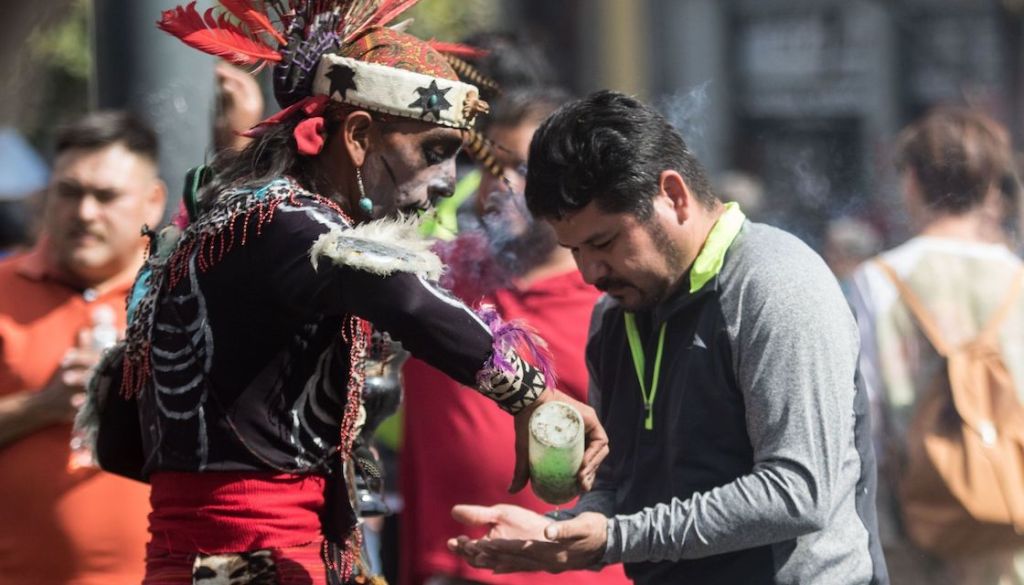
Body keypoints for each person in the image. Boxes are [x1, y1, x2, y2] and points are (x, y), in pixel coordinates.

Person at [84, 2, 608, 584]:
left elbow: (123, 444)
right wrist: (532, 395)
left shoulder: (250, 222)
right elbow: (402, 294)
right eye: (433, 153)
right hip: (245, 564)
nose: (442, 186)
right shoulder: (283, 223)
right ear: (357, 136)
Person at [448, 90, 889, 585]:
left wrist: (615, 538)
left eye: (604, 241)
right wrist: (559, 535)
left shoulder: (775, 285)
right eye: (573, 249)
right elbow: (619, 482)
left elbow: (797, 493)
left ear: (674, 195)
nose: (589, 271)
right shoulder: (614, 315)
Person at [400, 87, 629, 585]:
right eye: (488, 164)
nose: (500, 184)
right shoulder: (436, 279)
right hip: (446, 569)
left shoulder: (614, 301)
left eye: (523, 169)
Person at [848, 107, 1024, 585]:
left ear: (913, 181)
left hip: (912, 514)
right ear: (989, 185)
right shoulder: (1016, 277)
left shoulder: (880, 279)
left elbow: (868, 408)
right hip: (1009, 513)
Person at [0, 112, 166, 584]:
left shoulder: (181, 297)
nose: (85, 212)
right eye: (70, 192)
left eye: (107, 196)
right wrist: (40, 406)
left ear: (152, 202)